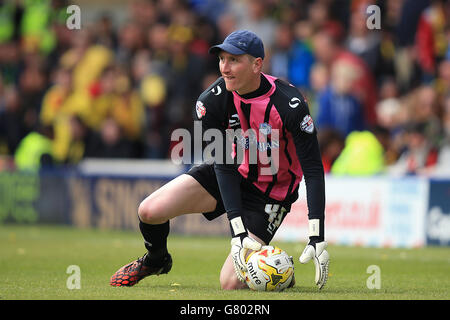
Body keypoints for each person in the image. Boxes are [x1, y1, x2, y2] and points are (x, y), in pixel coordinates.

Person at [110, 30, 329, 290]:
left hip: (269, 197)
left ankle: (281, 271)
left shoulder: (290, 104)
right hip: (230, 173)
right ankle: (156, 260)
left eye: (234, 60)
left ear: (257, 64)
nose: (225, 68)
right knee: (149, 211)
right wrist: (237, 229)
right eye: (222, 59)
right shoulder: (211, 102)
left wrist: (317, 235)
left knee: (230, 283)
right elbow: (223, 165)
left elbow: (313, 170)